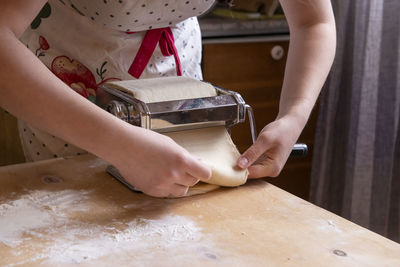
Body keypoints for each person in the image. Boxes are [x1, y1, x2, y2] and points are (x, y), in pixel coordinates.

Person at [0, 0, 336, 198]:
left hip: (175, 86)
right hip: (64, 93)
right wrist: (122, 146)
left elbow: (313, 20)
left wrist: (294, 113)